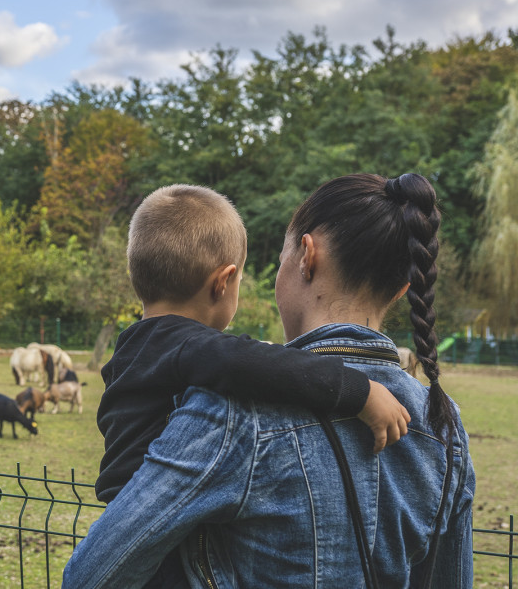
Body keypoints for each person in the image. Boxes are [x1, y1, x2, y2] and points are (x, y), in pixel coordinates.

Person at [63, 174, 475, 587]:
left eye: (279, 259)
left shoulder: (233, 408)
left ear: (306, 256)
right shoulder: (445, 425)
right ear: (404, 288)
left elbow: (89, 577)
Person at [93, 184, 411, 507]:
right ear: (222, 283)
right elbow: (262, 365)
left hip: (122, 502)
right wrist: (360, 391)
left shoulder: (132, 349)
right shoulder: (192, 347)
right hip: (154, 512)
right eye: (239, 282)